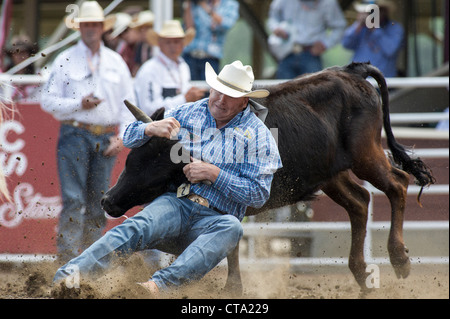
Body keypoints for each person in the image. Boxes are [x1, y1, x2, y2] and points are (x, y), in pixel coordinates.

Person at [53, 60, 282, 297]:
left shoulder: (259, 136)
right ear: (211, 88)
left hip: (216, 219)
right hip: (176, 202)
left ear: (244, 101)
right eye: (218, 91)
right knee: (135, 227)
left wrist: (215, 174)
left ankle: (155, 288)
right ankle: (68, 278)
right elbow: (129, 138)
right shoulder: (188, 112)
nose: (221, 100)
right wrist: (149, 129)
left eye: (230, 96)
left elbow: (258, 195)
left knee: (232, 227)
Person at [40, 1, 135, 263]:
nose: (90, 28)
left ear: (102, 28)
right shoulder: (65, 59)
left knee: (98, 203)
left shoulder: (116, 62)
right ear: (80, 27)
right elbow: (46, 100)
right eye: (86, 24)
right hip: (76, 133)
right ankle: (69, 261)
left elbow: (129, 105)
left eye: (94, 24)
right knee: (74, 199)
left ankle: (90, 263)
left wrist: (122, 137)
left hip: (104, 136)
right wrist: (77, 104)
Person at [134, 20, 206, 117]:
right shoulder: (150, 69)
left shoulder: (183, 66)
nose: (173, 46)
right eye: (168, 42)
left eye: (176, 42)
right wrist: (184, 99)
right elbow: (148, 110)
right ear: (160, 44)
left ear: (182, 44)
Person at [268, 0, 346, 79]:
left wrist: (325, 44)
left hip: (310, 54)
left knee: (313, 89)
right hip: (286, 52)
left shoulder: (328, 2)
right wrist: (276, 28)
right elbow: (273, 17)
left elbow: (339, 26)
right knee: (284, 89)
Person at [342, 0, 404, 78]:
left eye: (371, 11)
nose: (368, 15)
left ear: (383, 11)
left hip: (382, 82)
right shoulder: (361, 27)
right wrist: (358, 25)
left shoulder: (395, 28)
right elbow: (346, 44)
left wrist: (374, 28)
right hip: (358, 80)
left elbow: (390, 50)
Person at [182, 0, 240, 80]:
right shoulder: (195, 3)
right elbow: (189, 28)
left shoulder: (229, 4)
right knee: (190, 88)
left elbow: (227, 24)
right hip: (190, 55)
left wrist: (206, 8)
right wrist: (188, 3)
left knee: (209, 90)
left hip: (211, 57)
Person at [129, 10, 155, 76]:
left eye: (146, 28)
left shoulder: (159, 46)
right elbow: (137, 67)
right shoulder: (141, 46)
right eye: (141, 29)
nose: (143, 31)